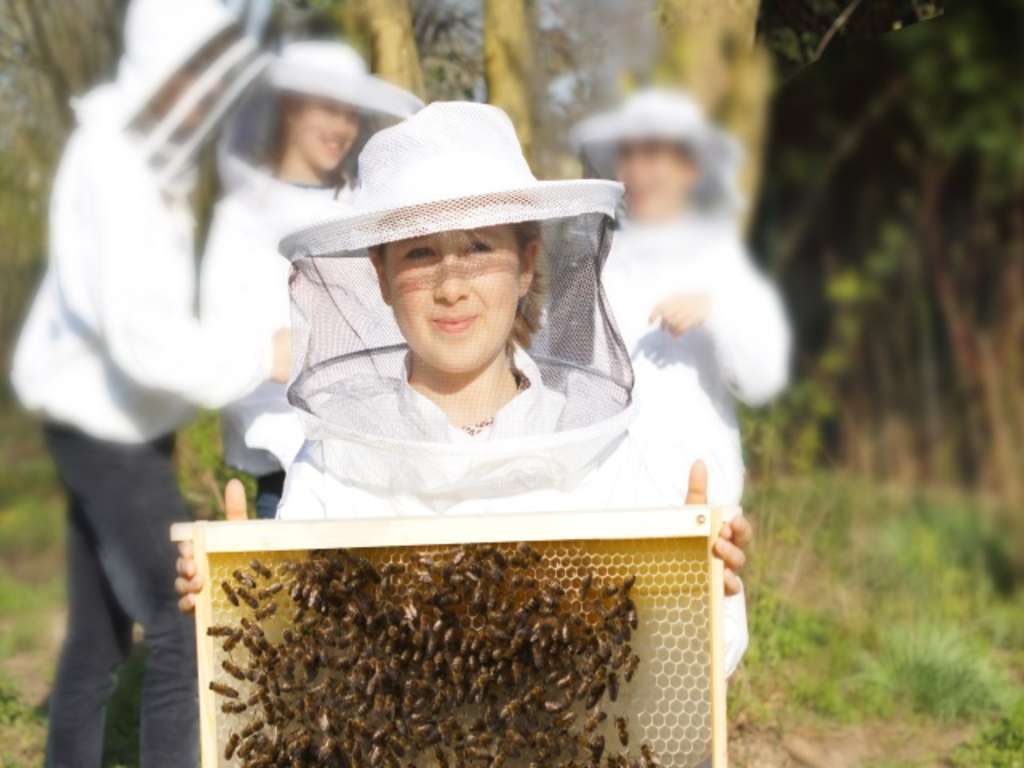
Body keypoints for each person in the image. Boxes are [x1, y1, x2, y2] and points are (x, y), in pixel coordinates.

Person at [177, 102, 753, 680]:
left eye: (478, 247)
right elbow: (291, 672)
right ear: (381, 276)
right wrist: (239, 603)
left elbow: (686, 672)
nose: (450, 286)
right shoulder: (333, 463)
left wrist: (699, 587)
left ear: (526, 265)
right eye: (420, 253)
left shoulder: (599, 452)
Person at [8, 1, 288, 765]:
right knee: (185, 618)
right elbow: (140, 341)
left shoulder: (150, 158)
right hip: (105, 430)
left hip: (115, 423)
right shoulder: (115, 163)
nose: (208, 91)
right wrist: (262, 356)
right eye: (194, 70)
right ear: (161, 61)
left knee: (97, 642)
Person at [201, 41, 423, 518]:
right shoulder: (237, 221)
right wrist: (268, 355)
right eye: (327, 109)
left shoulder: (364, 211)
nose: (341, 127)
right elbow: (203, 359)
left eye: (350, 112)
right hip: (282, 479)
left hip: (380, 476)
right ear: (289, 108)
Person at [570, 87, 791, 507]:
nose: (638, 171)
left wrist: (717, 312)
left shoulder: (722, 259)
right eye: (629, 155)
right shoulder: (597, 261)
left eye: (653, 155)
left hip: (696, 501)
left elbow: (763, 379)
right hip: (606, 505)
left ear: (689, 168)